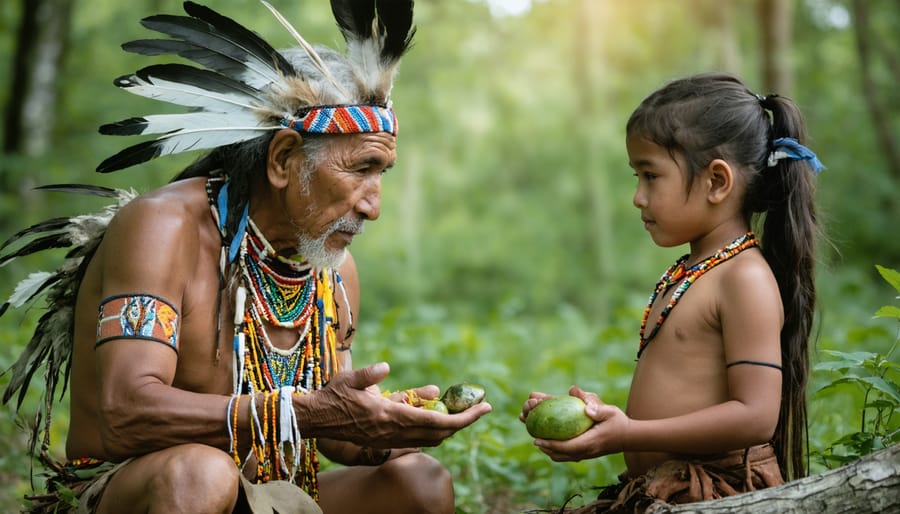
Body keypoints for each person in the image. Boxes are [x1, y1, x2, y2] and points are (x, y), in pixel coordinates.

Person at [0, 1, 491, 513]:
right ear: (282, 159)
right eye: (361, 168)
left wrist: (385, 424)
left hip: (270, 498)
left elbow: (330, 433)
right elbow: (126, 414)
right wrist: (300, 412)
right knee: (201, 474)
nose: (373, 205)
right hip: (139, 489)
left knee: (420, 484)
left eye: (381, 173)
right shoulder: (163, 228)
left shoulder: (333, 270)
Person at [520, 72, 822, 512]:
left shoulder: (745, 278)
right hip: (658, 490)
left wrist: (629, 433)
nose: (637, 198)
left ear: (717, 182)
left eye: (650, 176)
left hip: (715, 493)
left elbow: (756, 415)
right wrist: (602, 420)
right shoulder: (692, 270)